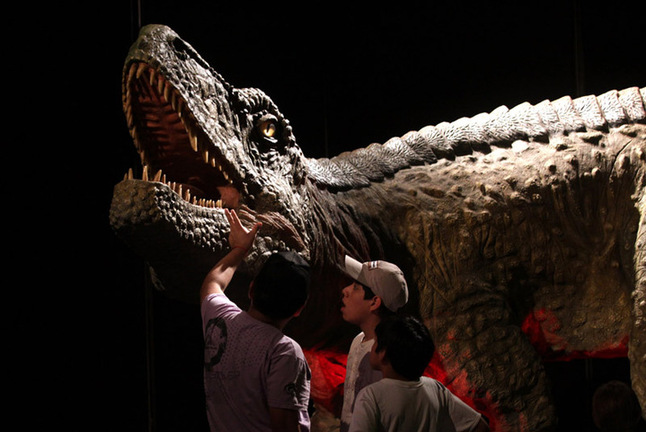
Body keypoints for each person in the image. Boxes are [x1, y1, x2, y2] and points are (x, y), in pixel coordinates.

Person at [200, 209, 312, 432]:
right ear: (299, 309)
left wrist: (240, 248)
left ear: (251, 289)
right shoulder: (284, 351)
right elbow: (284, 427)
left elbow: (212, 283)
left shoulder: (220, 319)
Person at [349, 315, 490, 432]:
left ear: (383, 354)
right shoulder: (435, 388)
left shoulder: (370, 397)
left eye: (376, 342)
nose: (372, 348)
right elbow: (480, 426)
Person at [340, 255, 409, 431]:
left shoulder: (388, 356)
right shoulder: (358, 340)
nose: (345, 290)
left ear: (374, 302)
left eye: (356, 287)